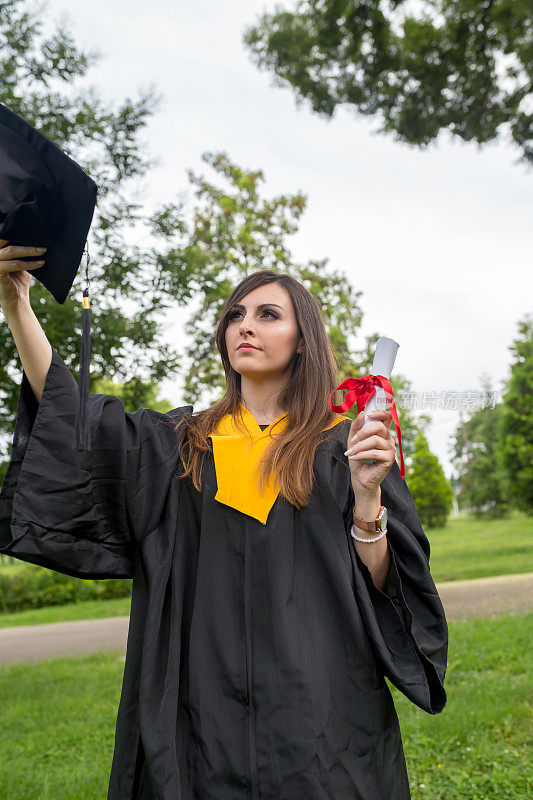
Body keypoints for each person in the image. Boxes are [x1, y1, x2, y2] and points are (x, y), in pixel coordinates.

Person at [0, 242, 448, 800]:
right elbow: (74, 419)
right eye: (235, 314)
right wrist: (17, 305)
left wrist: (365, 496)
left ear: (302, 337)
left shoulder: (344, 448)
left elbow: (382, 588)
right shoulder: (179, 446)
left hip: (320, 705)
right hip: (199, 705)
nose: (245, 326)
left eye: (268, 314)